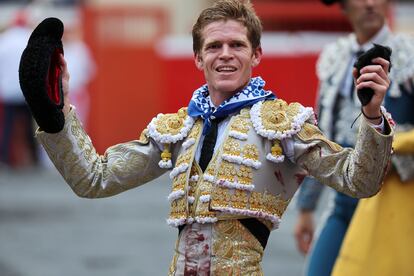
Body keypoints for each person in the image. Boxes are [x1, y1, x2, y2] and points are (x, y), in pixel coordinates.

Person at [34, 0, 393, 274]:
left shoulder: (283, 124)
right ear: (197, 58)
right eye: (213, 46)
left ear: (256, 55)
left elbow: (358, 180)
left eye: (236, 45)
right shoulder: (177, 129)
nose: (225, 55)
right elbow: (94, 179)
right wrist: (58, 109)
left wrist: (373, 117)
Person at [293, 0, 414, 276]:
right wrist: (306, 208)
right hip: (343, 200)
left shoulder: (409, 55)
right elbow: (318, 137)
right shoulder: (335, 56)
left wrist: (398, 142)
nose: (370, 3)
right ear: (343, 5)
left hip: (393, 198)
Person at [0, 11, 38, 167]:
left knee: (7, 126)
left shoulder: (4, 40)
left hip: (8, 90)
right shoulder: (31, 39)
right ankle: (34, 159)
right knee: (30, 127)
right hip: (27, 91)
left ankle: (4, 159)